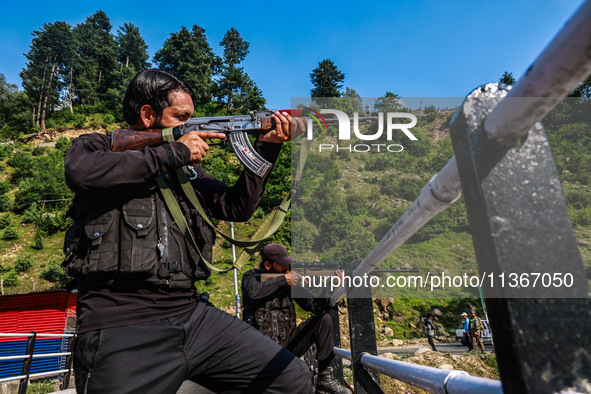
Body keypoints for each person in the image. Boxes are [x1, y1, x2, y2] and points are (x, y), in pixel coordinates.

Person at [63, 69, 312, 393]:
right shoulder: (98, 147)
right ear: (148, 114)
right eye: (181, 118)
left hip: (190, 314)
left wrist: (267, 148)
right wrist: (176, 151)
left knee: (290, 379)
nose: (190, 127)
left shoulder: (186, 172)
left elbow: (236, 207)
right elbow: (79, 172)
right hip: (119, 321)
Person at [241, 243, 351, 394]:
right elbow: (252, 292)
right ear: (267, 265)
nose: (287, 269)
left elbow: (315, 307)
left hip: (287, 347)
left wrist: (331, 285)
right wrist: (282, 280)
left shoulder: (290, 284)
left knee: (324, 319)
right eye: (283, 265)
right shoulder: (250, 277)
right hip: (260, 350)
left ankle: (324, 378)